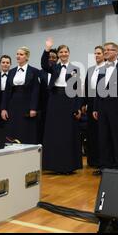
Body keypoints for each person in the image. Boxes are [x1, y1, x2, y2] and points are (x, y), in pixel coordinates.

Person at [40, 38, 83, 174]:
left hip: (69, 100)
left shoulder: (75, 69)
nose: (63, 54)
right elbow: (43, 65)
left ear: (69, 53)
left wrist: (77, 107)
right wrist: (47, 49)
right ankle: (54, 165)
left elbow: (77, 90)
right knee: (54, 132)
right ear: (58, 55)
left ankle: (68, 165)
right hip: (55, 100)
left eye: (66, 52)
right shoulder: (54, 67)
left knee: (67, 132)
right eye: (61, 52)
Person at [92, 42, 118, 175]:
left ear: (116, 52)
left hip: (117, 108)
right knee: (103, 137)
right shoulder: (102, 68)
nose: (106, 52)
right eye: (105, 50)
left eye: (109, 50)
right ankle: (105, 166)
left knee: (117, 138)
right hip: (102, 107)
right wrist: (95, 108)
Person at [1, 47, 40, 144]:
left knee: (25, 129)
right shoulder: (11, 71)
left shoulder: (34, 71)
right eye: (17, 54)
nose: (18, 56)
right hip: (13, 104)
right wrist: (3, 108)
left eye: (21, 54)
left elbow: (36, 91)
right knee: (12, 130)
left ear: (27, 57)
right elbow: (7, 91)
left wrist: (33, 108)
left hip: (27, 104)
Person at [82, 46, 105, 168]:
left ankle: (102, 160)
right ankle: (93, 160)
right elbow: (86, 88)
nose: (97, 55)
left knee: (102, 133)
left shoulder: (107, 69)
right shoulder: (91, 70)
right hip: (91, 104)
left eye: (99, 53)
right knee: (92, 133)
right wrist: (84, 103)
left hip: (102, 103)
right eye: (95, 53)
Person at [37, 49, 57, 144]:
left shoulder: (60, 71)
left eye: (54, 57)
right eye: (49, 57)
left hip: (56, 106)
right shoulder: (39, 73)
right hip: (42, 107)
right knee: (41, 129)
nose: (51, 59)